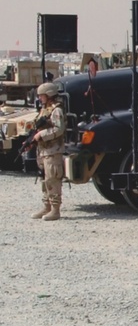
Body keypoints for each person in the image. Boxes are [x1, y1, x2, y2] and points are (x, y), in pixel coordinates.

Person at [30, 82, 66, 221]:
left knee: (53, 179)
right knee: (44, 179)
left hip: (53, 150)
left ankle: (55, 210)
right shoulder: (45, 109)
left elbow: (59, 129)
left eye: (42, 95)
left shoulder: (56, 110)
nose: (39, 98)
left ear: (49, 94)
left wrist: (42, 135)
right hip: (43, 149)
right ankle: (47, 206)